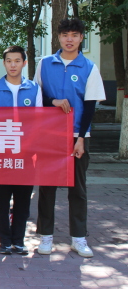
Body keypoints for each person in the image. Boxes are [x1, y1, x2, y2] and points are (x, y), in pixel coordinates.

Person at [34, 18, 105, 258]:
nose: (69, 39)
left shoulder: (89, 67)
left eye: (74, 35)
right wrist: (52, 101)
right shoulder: (45, 64)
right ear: (59, 37)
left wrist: (81, 138)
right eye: (65, 35)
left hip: (77, 135)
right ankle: (45, 235)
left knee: (78, 188)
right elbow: (36, 97)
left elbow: (90, 106)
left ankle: (79, 238)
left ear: (81, 38)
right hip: (49, 136)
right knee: (47, 187)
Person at [0, 46, 42, 255]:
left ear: (24, 63)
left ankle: (19, 240)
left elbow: (39, 121)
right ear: (4, 63)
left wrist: (28, 145)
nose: (13, 65)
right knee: (2, 200)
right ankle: (5, 241)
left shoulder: (34, 88)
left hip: (26, 155)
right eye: (9, 61)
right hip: (2, 154)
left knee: (23, 201)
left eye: (17, 61)